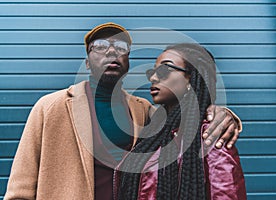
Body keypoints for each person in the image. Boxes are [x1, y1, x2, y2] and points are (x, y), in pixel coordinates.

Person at [4, 23, 242, 200]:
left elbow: (186, 116)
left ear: (128, 60)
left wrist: (222, 113)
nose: (110, 52)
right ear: (87, 62)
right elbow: (20, 189)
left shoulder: (144, 110)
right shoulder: (50, 107)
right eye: (99, 46)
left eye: (120, 46)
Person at [116, 43, 246, 200]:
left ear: (191, 79)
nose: (153, 77)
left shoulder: (210, 135)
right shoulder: (153, 129)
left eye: (164, 70)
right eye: (152, 71)